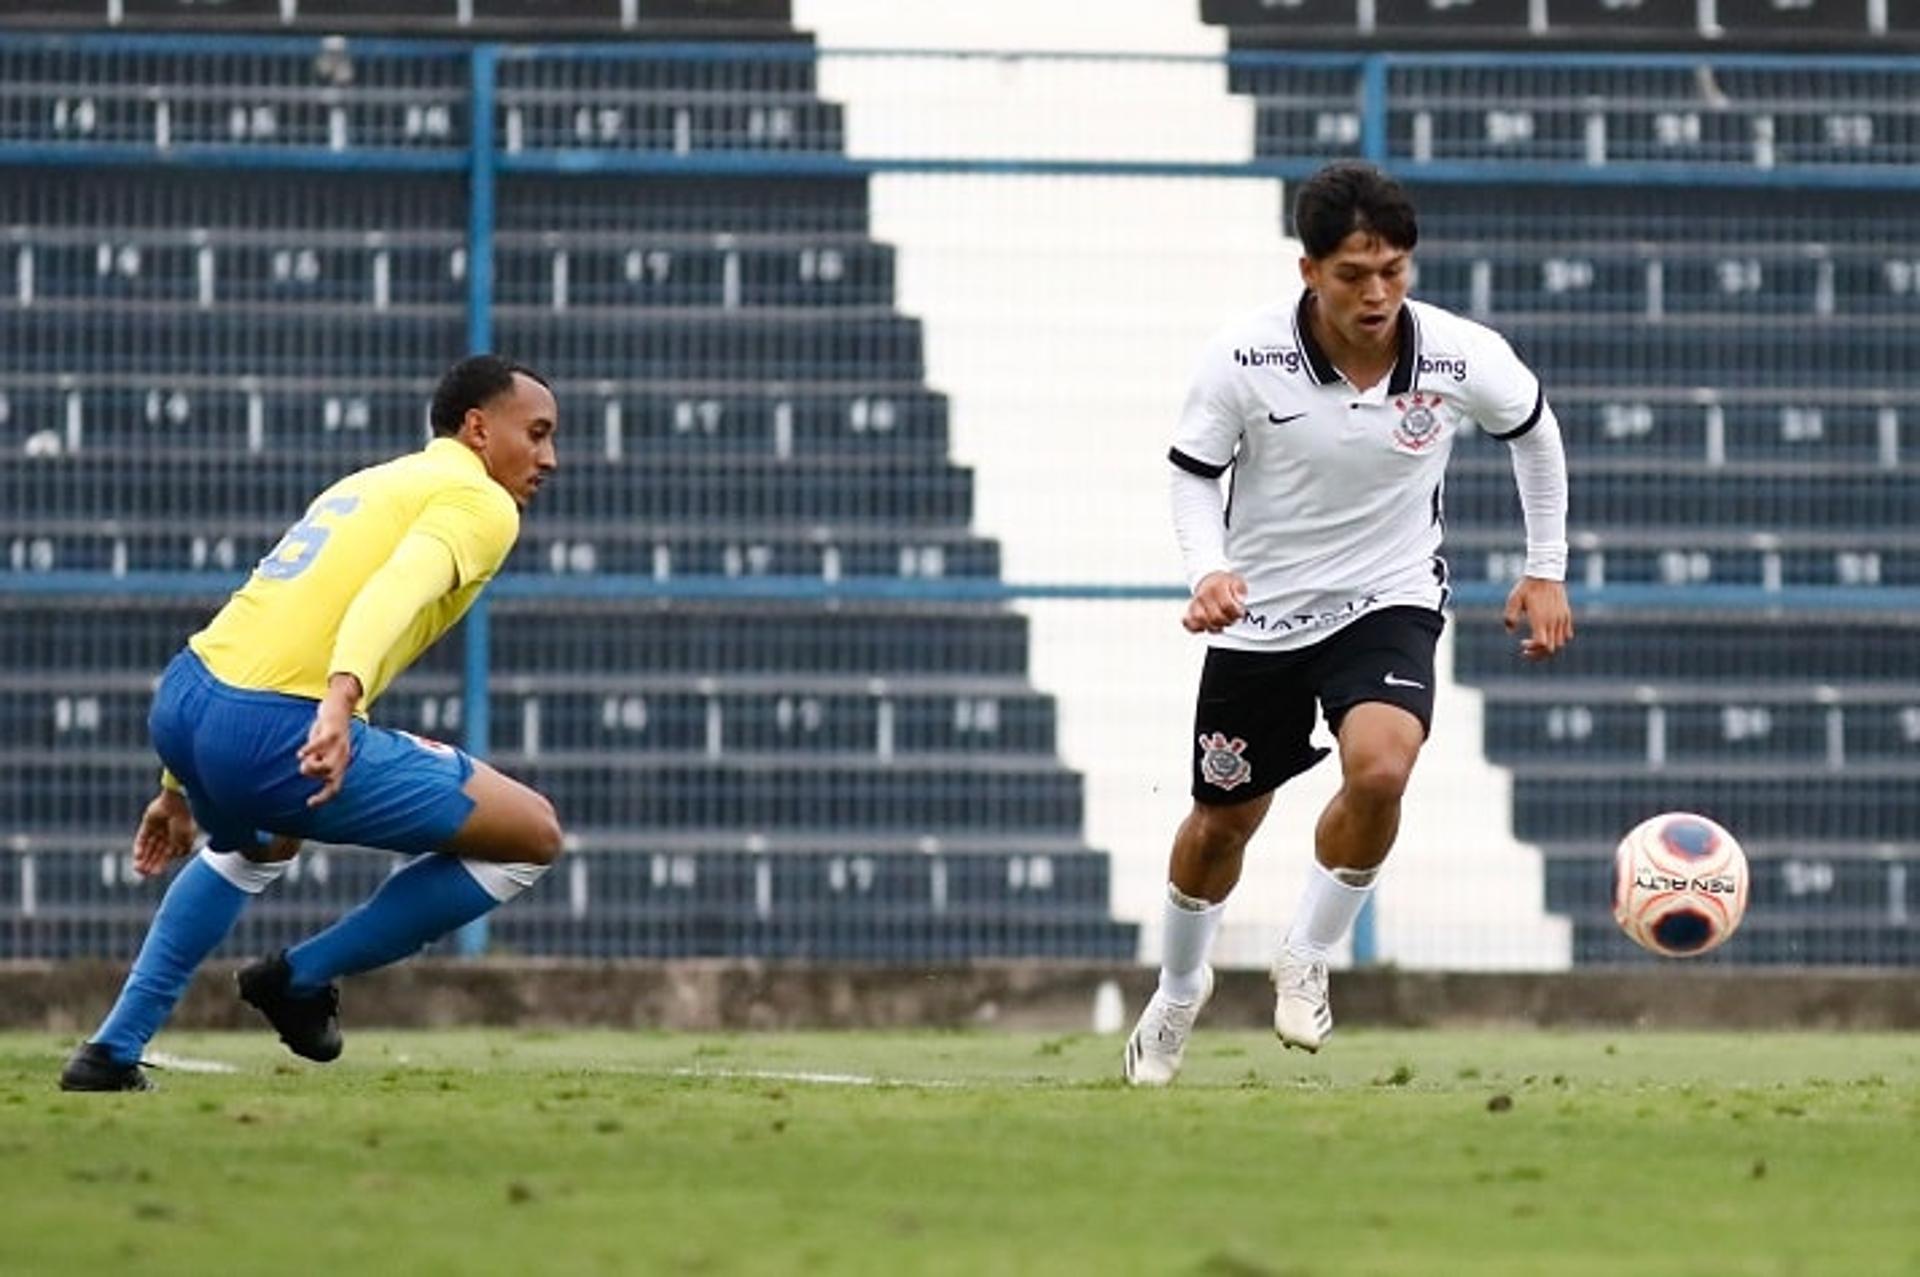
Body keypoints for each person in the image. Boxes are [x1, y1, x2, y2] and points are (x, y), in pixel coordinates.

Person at [1124, 161, 1573, 1086]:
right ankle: (1177, 991)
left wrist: (1545, 570)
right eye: (1353, 275)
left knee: (1382, 767)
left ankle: (1308, 952)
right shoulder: (1242, 358)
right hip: (1263, 618)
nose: (1378, 294)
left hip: (1389, 597)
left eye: (1395, 271)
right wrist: (1208, 569)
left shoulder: (1458, 355)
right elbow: (1193, 472)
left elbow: (1533, 428)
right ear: (1308, 272)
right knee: (1220, 826)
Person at [59, 354, 563, 1091]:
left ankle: (110, 1051)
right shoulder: (481, 502)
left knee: (256, 846)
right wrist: (337, 701)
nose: (550, 458)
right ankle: (297, 979)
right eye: (538, 433)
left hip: (188, 698)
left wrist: (174, 787)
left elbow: (263, 610)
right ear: (479, 429)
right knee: (532, 836)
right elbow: (398, 587)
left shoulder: (370, 482)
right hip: (275, 726)